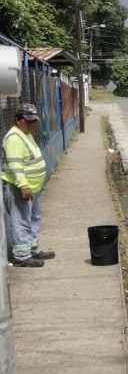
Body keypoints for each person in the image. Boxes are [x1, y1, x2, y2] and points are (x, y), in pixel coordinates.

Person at [2, 104, 54, 268]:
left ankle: (32, 249)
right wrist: (23, 186)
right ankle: (22, 257)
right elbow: (16, 166)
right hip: (20, 188)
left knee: (33, 218)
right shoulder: (14, 139)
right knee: (21, 220)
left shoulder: (25, 134)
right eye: (29, 121)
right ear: (18, 120)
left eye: (34, 121)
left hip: (33, 187)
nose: (33, 124)